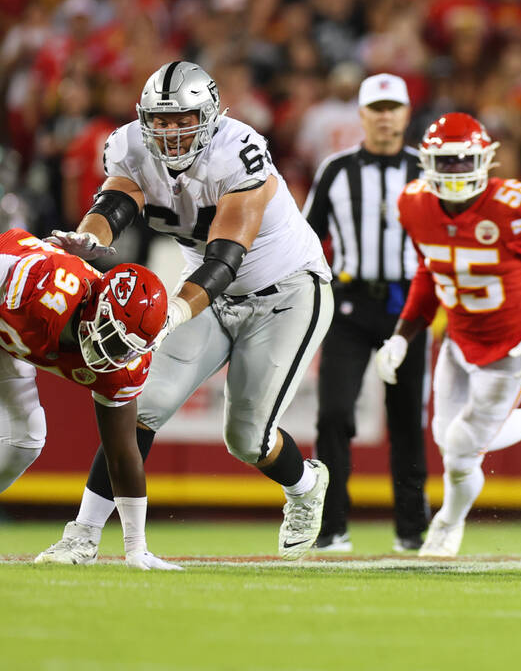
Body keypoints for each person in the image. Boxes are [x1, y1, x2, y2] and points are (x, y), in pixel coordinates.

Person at [36, 60, 335, 563]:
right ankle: (82, 536)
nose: (171, 133)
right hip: (208, 294)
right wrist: (89, 238)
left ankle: (305, 484)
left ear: (212, 114)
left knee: (247, 438)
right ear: (145, 117)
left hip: (284, 291)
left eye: (183, 120)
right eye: (161, 120)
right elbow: (116, 205)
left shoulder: (239, 153)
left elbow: (225, 257)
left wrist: (176, 310)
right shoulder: (129, 145)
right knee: (139, 406)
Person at [374, 112, 521, 558]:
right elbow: (429, 270)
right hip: (457, 341)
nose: (457, 172)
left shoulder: (517, 206)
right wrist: (403, 334)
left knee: (460, 448)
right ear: (427, 162)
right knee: (447, 439)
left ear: (484, 160)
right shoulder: (415, 204)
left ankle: (447, 524)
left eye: (465, 161)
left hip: (510, 349)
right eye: (447, 162)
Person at [303, 73, 431, 552]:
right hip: (351, 305)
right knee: (334, 414)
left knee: (406, 423)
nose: (384, 117)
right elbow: (306, 238)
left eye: (392, 108)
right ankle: (331, 525)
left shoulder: (428, 168)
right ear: (361, 115)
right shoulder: (336, 170)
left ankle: (411, 531)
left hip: (410, 309)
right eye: (376, 109)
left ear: (405, 113)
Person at [0, 229, 177, 569]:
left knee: (24, 439)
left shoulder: (126, 365)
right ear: (95, 304)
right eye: (113, 339)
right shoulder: (40, 288)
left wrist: (136, 548)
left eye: (127, 349)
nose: (115, 355)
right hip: (8, 296)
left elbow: (123, 451)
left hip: (9, 342)